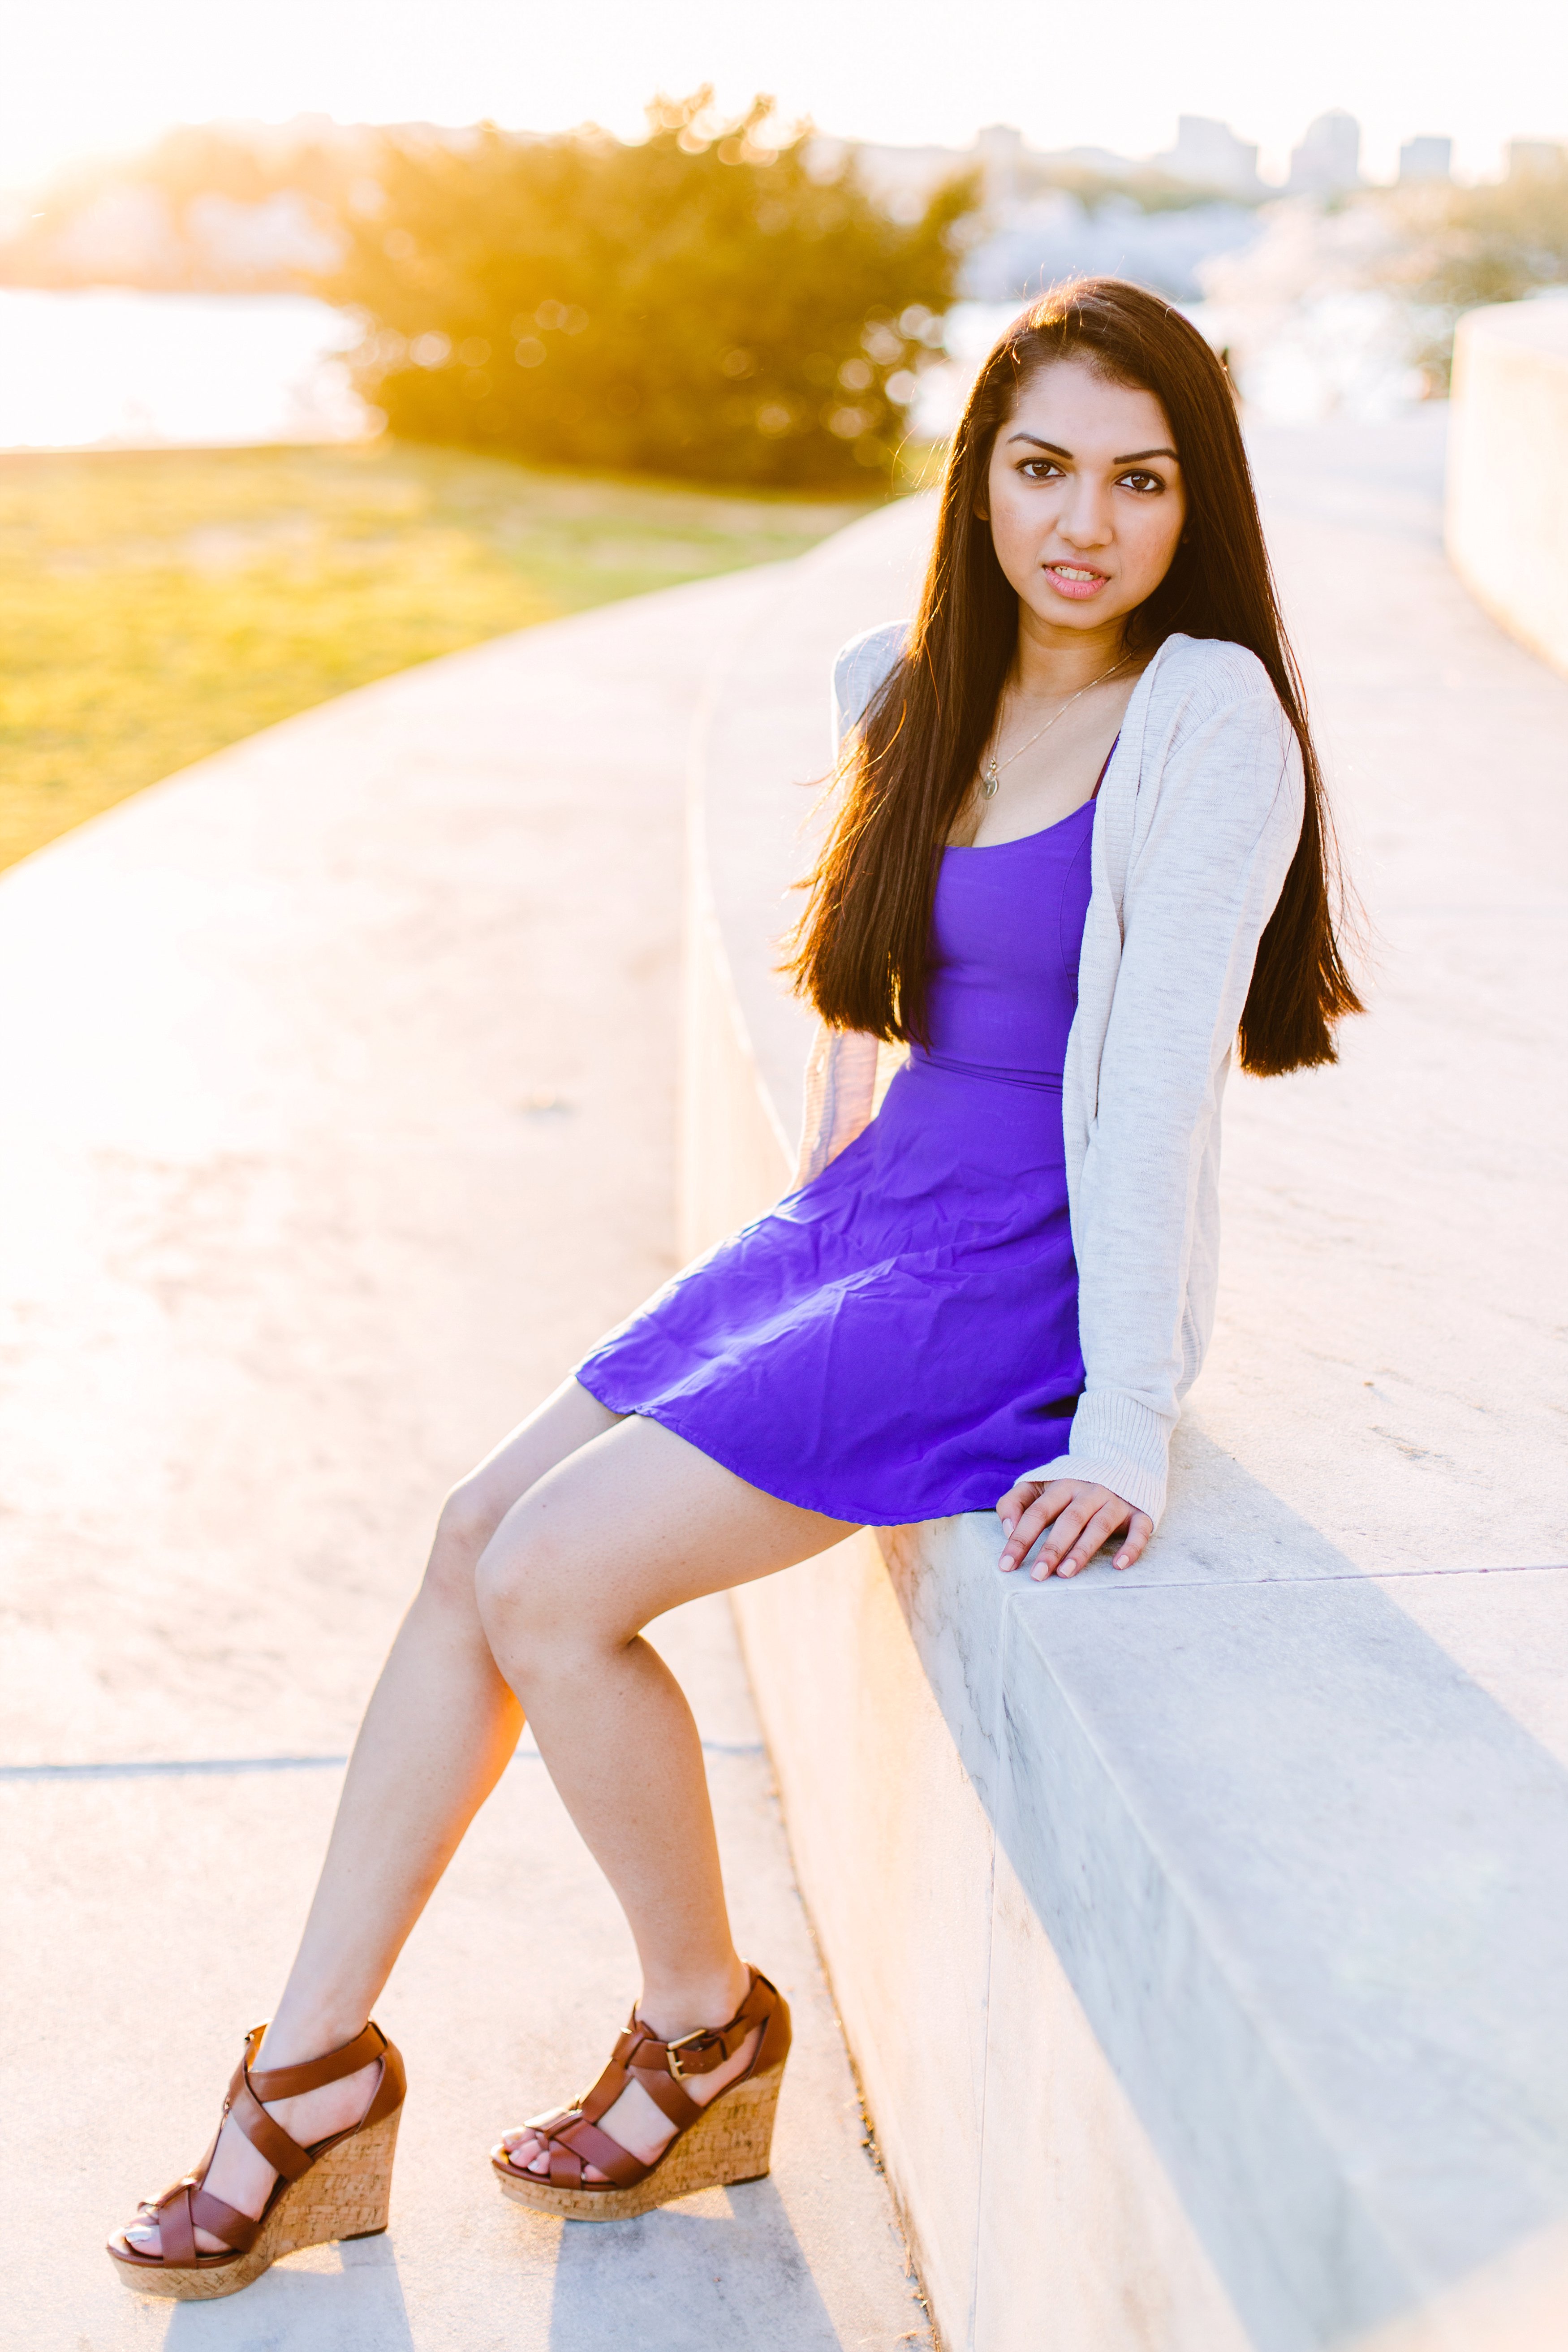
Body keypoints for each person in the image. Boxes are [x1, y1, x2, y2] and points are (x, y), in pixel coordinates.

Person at [108, 277, 1360, 2297]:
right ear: (977, 484)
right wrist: (791, 1250)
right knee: (468, 1534)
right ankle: (314, 2067)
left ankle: (700, 2033)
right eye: (1040, 468)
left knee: (550, 1581)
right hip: (867, 1222)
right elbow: (868, 1031)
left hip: (1011, 1276)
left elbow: (1145, 1106)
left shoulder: (1205, 718)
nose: (1083, 523)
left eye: (1138, 480)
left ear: (1190, 501)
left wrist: (1123, 1412)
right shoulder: (916, 687)